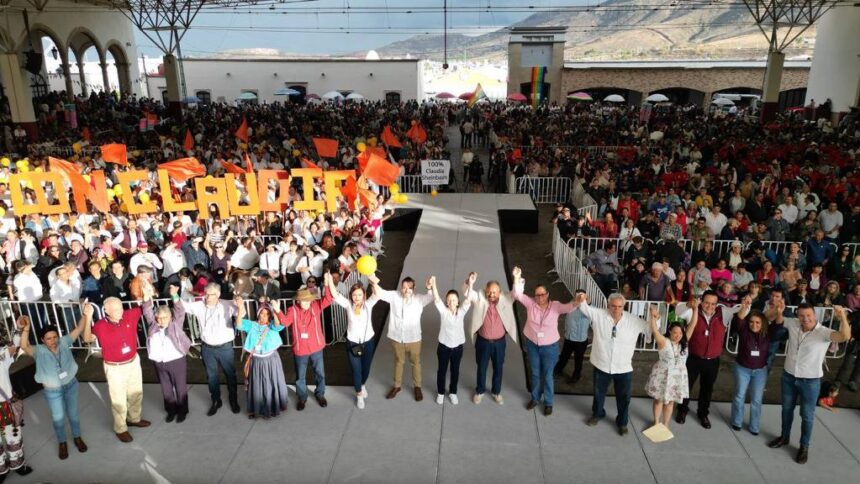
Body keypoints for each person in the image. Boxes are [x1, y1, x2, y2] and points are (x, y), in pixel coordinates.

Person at [768, 304, 851, 464]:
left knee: (806, 416)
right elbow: (772, 318)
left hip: (810, 381)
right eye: (801, 316)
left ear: (815, 315)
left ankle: (804, 447)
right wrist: (777, 309)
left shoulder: (824, 332)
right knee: (786, 409)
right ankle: (784, 437)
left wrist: (843, 318)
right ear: (797, 316)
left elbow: (844, 336)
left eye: (808, 315)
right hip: (789, 376)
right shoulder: (793, 324)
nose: (805, 319)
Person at [18, 312, 88, 460]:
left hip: (71, 385)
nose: (53, 340)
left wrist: (85, 313)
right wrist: (26, 328)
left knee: (74, 414)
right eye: (48, 338)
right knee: (58, 418)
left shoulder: (64, 342)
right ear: (43, 340)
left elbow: (80, 328)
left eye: (55, 337)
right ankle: (62, 443)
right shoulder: (39, 351)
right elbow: (24, 345)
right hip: (52, 391)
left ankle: (77, 437)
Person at [576, 292, 649, 436]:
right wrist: (582, 297)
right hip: (601, 364)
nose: (616, 309)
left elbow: (649, 329)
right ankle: (597, 414)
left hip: (623, 368)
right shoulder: (599, 315)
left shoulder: (634, 321)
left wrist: (655, 319)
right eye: (613, 306)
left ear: (624, 306)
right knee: (598, 394)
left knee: (624, 398)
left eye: (619, 306)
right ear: (608, 305)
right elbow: (584, 308)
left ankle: (622, 423)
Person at [82, 296, 151, 442]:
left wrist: (146, 294)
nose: (120, 311)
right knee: (118, 399)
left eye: (120, 307)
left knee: (136, 393)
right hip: (114, 367)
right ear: (106, 311)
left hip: (133, 362)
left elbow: (146, 306)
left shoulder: (129, 315)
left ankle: (134, 418)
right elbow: (87, 339)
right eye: (115, 309)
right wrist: (88, 317)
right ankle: (120, 428)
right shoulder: (100, 325)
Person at [511, 266, 575, 416]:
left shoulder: (556, 306)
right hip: (533, 344)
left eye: (542, 294)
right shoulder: (530, 303)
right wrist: (516, 277)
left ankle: (548, 402)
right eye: (537, 295)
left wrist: (578, 301)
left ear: (547, 294)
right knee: (534, 373)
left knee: (547, 375)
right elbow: (517, 294)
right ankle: (535, 398)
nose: (539, 297)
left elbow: (569, 308)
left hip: (550, 347)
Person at [370, 274, 433, 402]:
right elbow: (379, 292)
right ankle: (397, 386)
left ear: (414, 288)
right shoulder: (394, 296)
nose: (406, 290)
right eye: (404, 287)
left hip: (414, 338)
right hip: (397, 338)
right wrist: (371, 277)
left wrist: (429, 288)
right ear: (401, 287)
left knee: (416, 362)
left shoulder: (419, 299)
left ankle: (417, 387)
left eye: (409, 288)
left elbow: (431, 297)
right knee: (399, 362)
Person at [275, 275, 334, 411]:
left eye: (308, 301)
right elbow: (285, 322)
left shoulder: (316, 306)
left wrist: (326, 284)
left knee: (320, 373)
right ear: (298, 301)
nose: (306, 303)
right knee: (300, 376)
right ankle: (302, 397)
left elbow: (329, 299)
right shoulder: (292, 310)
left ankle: (320, 394)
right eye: (303, 301)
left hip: (316, 348)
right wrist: (277, 311)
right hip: (300, 350)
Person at [184, 283, 242, 416]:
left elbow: (241, 314)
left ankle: (233, 400)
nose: (207, 296)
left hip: (225, 348)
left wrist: (241, 304)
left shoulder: (227, 304)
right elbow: (183, 306)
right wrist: (175, 295)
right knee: (211, 377)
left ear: (218, 295)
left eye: (210, 294)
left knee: (230, 375)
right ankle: (216, 400)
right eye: (206, 293)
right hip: (207, 348)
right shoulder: (199, 305)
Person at [462, 271, 518, 405]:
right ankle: (480, 391)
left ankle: (496, 392)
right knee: (481, 367)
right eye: (489, 291)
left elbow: (517, 293)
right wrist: (470, 282)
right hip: (483, 342)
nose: (491, 294)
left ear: (499, 292)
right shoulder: (480, 298)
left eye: (494, 292)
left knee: (498, 368)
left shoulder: (507, 298)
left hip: (499, 343)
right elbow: (467, 293)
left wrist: (516, 277)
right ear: (485, 291)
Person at [675, 290, 727, 429]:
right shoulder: (693, 311)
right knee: (686, 386)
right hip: (693, 358)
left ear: (717, 304)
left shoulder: (722, 314)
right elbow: (678, 311)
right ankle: (682, 410)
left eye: (713, 304)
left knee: (707, 389)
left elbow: (742, 312)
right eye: (707, 303)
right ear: (701, 301)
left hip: (712, 360)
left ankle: (703, 413)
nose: (710, 306)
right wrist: (689, 304)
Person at [141, 284, 192, 423]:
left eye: (165, 317)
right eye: (160, 318)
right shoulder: (153, 325)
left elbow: (180, 310)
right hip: (159, 362)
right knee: (166, 388)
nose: (162, 320)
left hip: (176, 361)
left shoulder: (175, 324)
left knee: (180, 388)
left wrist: (175, 295)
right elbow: (147, 311)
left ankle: (182, 411)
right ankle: (171, 410)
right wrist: (146, 297)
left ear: (170, 317)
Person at [328, 278, 380, 409]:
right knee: (356, 370)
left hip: (368, 342)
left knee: (366, 368)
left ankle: (362, 385)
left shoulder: (369, 304)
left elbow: (377, 294)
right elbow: (334, 294)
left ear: (364, 295)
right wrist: (328, 279)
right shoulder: (347, 305)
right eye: (354, 295)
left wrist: (373, 281)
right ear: (351, 296)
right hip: (353, 344)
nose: (357, 297)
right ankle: (359, 395)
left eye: (360, 295)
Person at [644, 302, 688, 429]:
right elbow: (654, 330)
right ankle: (656, 421)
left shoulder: (684, 344)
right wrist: (652, 315)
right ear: (669, 331)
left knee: (670, 401)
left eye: (680, 333)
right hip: (662, 374)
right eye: (675, 332)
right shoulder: (663, 341)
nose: (678, 335)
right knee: (658, 400)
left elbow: (693, 325)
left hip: (676, 376)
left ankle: (666, 423)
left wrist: (695, 309)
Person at [730, 299, 769, 435]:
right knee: (739, 396)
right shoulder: (744, 330)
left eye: (757, 322)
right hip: (742, 369)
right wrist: (744, 307)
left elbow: (778, 322)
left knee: (757, 399)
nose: (754, 324)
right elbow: (740, 319)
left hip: (760, 371)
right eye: (751, 322)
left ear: (762, 323)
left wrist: (778, 310)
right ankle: (737, 421)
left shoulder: (767, 333)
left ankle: (754, 426)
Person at [430, 275, 471, 405]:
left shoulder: (462, 312)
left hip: (457, 348)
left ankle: (453, 392)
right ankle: (441, 393)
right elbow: (436, 298)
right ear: (446, 302)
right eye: (449, 300)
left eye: (454, 300)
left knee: (455, 371)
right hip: (443, 347)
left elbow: (469, 299)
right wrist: (434, 282)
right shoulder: (443, 311)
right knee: (441, 371)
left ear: (458, 302)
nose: (452, 302)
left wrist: (471, 284)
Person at [0, 337, 32, 478]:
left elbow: (16, 345)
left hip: (6, 404)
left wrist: (20, 330)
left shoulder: (2, 354)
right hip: (6, 403)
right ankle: (1, 469)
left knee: (13, 435)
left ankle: (17, 464)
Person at [555, 289, 590, 384]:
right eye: (577, 295)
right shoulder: (571, 305)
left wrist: (586, 302)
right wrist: (577, 301)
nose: (579, 297)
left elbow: (589, 311)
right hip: (569, 337)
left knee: (578, 360)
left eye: (581, 295)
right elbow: (569, 307)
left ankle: (576, 376)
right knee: (564, 356)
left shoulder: (588, 308)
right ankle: (557, 370)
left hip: (581, 340)